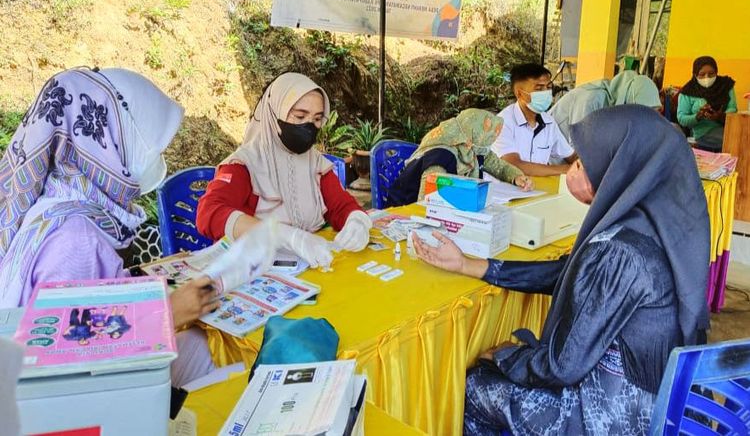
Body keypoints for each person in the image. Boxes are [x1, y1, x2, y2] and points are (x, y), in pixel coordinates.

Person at [413, 105, 710, 434]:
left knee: (475, 385)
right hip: (663, 399)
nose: (572, 172)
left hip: (613, 416)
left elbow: (562, 366)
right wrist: (473, 265)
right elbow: (571, 274)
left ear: (617, 170)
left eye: (582, 164)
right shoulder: (662, 225)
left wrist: (507, 358)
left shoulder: (620, 252)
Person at [0, 67, 220, 385]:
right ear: (112, 143)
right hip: (73, 406)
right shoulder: (78, 238)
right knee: (206, 352)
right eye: (150, 147)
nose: (158, 159)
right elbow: (67, 352)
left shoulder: (51, 204)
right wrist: (169, 312)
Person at [196, 73, 371, 268]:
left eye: (317, 119)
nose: (309, 126)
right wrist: (282, 235)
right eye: (299, 116)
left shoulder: (315, 163)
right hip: (254, 272)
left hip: (308, 269)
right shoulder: (245, 164)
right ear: (275, 112)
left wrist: (357, 221)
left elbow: (341, 205)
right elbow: (208, 213)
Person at [385, 108, 532, 207]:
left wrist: (517, 177)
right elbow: (428, 203)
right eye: (488, 134)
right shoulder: (441, 157)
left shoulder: (472, 148)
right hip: (406, 210)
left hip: (446, 207)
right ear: (473, 134)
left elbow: (499, 166)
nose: (492, 139)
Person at [493, 64, 576, 176]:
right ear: (519, 93)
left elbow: (570, 155)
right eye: (539, 88)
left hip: (537, 189)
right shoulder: (503, 122)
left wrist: (582, 166)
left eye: (548, 87)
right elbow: (513, 165)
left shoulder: (549, 122)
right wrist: (565, 169)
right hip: (505, 191)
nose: (546, 93)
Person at [551, 70, 661, 141]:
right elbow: (578, 147)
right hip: (549, 161)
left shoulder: (615, 109)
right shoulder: (592, 100)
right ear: (630, 101)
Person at [677, 56, 737, 152]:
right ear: (695, 74)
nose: (707, 77)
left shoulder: (725, 85)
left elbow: (733, 108)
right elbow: (681, 118)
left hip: (728, 129)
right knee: (736, 143)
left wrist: (721, 116)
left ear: (716, 72)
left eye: (711, 74)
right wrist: (697, 117)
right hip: (703, 134)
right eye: (702, 74)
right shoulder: (687, 92)